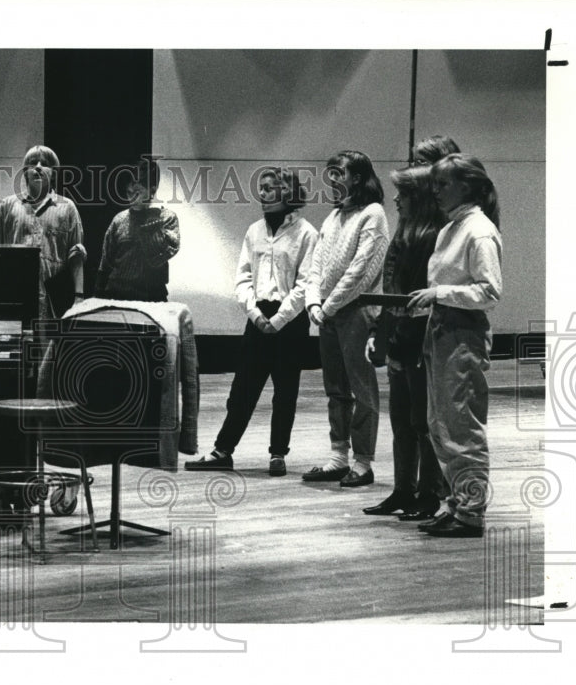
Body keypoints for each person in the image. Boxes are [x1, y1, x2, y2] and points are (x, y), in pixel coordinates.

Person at [186, 166, 316, 475]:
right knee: (242, 388)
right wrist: (256, 314)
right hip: (259, 318)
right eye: (262, 188)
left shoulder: (307, 233)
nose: (264, 194)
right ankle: (222, 450)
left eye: (271, 188)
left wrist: (280, 318)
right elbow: (243, 277)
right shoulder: (254, 230)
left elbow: (306, 283)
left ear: (288, 193)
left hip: (291, 322)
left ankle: (277, 454)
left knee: (285, 391)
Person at [406, 154, 502, 537]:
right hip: (442, 332)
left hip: (463, 336)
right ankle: (457, 504)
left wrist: (439, 293)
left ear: (467, 185)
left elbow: (490, 291)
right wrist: (428, 302)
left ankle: (472, 511)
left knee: (461, 426)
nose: (436, 191)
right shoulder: (451, 229)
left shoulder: (478, 230)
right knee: (440, 425)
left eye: (444, 183)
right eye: (435, 184)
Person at [362, 165, 447, 519]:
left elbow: (418, 294)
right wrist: (380, 331)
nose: (395, 198)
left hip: (418, 337)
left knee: (420, 421)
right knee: (401, 420)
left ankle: (426, 494)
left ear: (420, 198)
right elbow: (391, 290)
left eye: (404, 193)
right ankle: (402, 489)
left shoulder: (432, 236)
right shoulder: (406, 230)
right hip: (399, 335)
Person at [302, 150, 389, 487]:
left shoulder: (373, 214)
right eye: (331, 173)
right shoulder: (333, 217)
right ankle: (338, 456)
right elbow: (316, 265)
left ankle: (363, 463)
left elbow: (361, 272)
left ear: (358, 176)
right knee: (336, 388)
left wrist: (329, 305)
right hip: (328, 311)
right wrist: (313, 304)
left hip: (355, 312)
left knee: (362, 389)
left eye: (339, 172)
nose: (333, 179)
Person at [0, 144, 86, 322]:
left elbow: (76, 256)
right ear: (25, 172)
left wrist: (79, 297)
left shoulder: (67, 208)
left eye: (45, 164)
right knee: (16, 348)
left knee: (49, 349)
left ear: (54, 173)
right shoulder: (8, 205)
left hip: (54, 302)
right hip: (15, 296)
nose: (39, 167)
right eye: (33, 163)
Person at [94, 155, 181, 302]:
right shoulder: (119, 220)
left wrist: (151, 220)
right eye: (128, 193)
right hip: (117, 294)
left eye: (137, 192)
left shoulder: (167, 219)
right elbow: (105, 263)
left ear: (152, 190)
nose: (131, 198)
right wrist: (97, 295)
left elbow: (157, 259)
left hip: (152, 296)